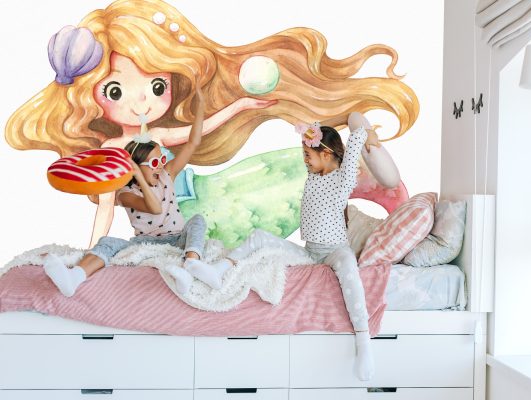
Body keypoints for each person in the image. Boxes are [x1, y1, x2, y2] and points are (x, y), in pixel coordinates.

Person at [5, 0, 418, 247]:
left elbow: (195, 135)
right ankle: (370, 187)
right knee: (272, 197)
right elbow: (107, 207)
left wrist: (241, 104)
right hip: (184, 219)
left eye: (156, 86)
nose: (140, 101)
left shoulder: (155, 134)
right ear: (90, 96)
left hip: (205, 191)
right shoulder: (110, 155)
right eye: (115, 91)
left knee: (278, 170)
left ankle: (372, 182)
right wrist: (93, 247)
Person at [195, 112, 380, 381]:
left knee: (349, 267)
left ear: (327, 155)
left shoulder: (342, 181)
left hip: (335, 250)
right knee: (259, 237)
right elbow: (318, 153)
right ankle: (219, 269)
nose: (304, 160)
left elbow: (350, 155)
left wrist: (363, 132)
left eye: (308, 155)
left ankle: (363, 340)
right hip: (309, 252)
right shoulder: (314, 176)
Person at [43, 87, 226, 297]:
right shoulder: (126, 194)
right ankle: (75, 277)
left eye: (162, 159)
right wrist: (138, 177)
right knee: (107, 243)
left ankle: (191, 265)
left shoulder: (167, 174)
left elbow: (193, 142)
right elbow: (155, 208)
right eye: (154, 163)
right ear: (137, 167)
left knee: (197, 220)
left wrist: (201, 106)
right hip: (145, 243)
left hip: (177, 238)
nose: (161, 165)